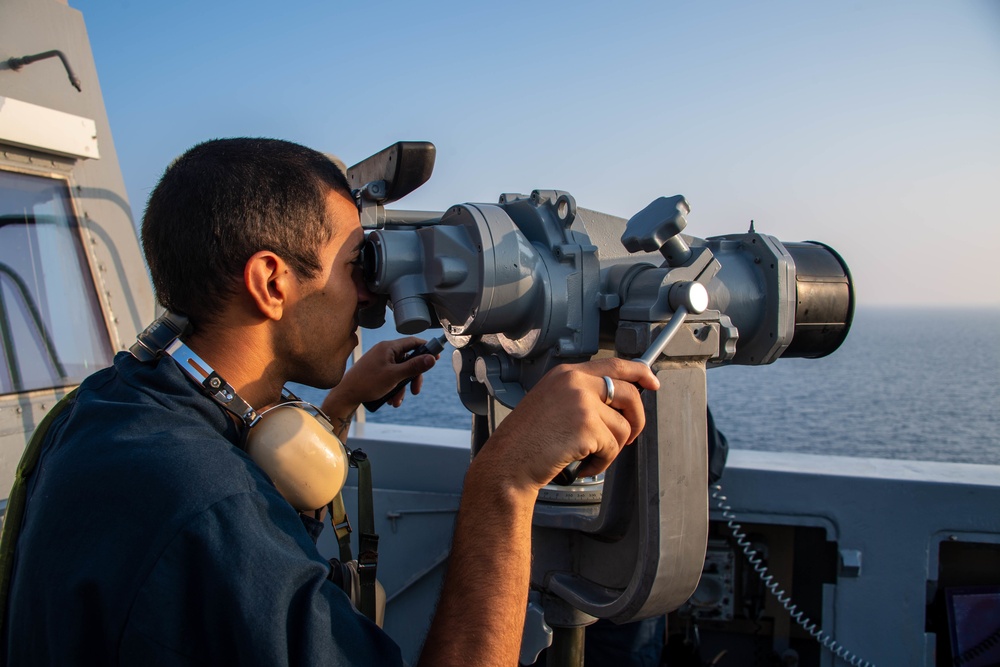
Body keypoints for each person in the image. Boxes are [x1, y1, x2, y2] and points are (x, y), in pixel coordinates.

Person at [1, 138, 658, 666]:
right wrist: (503, 482)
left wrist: (338, 407)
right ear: (271, 281)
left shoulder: (109, 407)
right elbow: (226, 529)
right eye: (354, 266)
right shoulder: (210, 508)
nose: (370, 297)